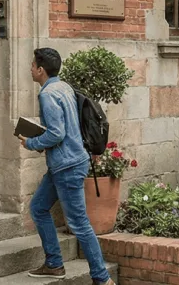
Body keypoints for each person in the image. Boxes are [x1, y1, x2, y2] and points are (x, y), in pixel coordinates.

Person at [19, 48, 114, 285]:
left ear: (41, 70)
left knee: (79, 224)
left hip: (67, 166)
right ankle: (54, 264)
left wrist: (31, 142)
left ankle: (102, 279)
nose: (30, 68)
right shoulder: (64, 87)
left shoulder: (48, 94)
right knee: (39, 207)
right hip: (65, 163)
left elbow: (56, 133)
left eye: (33, 65)